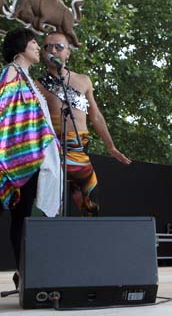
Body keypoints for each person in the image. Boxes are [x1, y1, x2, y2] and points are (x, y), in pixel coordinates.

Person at [0, 28, 61, 297]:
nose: (38, 48)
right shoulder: (12, 71)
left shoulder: (28, 78)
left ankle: (22, 274)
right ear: (20, 50)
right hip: (8, 158)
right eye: (33, 43)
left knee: (22, 219)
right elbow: (0, 102)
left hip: (28, 158)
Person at [35, 33, 131, 216]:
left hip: (79, 151)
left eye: (58, 47)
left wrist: (111, 147)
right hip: (53, 152)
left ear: (68, 53)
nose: (52, 51)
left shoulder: (84, 80)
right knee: (51, 210)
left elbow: (95, 116)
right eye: (47, 47)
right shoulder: (37, 86)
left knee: (91, 207)